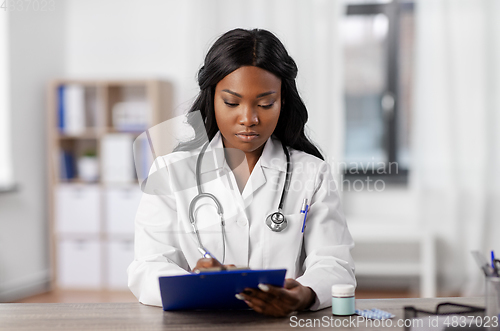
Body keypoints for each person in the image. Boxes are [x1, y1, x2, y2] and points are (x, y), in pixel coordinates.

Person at [128, 28, 355, 317]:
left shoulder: (312, 173)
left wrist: (304, 294)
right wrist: (200, 284)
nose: (249, 119)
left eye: (265, 103)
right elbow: (147, 266)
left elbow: (334, 264)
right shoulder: (170, 172)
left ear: (282, 101)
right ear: (212, 99)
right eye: (232, 103)